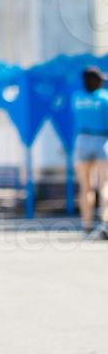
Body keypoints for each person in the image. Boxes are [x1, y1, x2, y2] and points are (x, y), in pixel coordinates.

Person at [70, 66, 108, 240]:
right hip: (102, 139)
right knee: (105, 184)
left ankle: (86, 225)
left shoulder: (76, 98)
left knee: (86, 186)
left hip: (82, 140)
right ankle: (105, 223)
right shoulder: (104, 98)